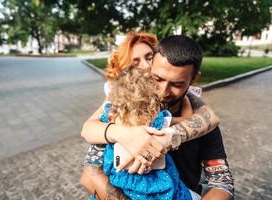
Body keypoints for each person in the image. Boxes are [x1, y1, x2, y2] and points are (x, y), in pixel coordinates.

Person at [81, 34, 234, 199]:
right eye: (158, 79)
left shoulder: (201, 118)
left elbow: (222, 182)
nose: (163, 91)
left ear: (194, 79)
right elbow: (89, 173)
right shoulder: (124, 112)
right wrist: (122, 133)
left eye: (177, 84)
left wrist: (169, 137)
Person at [101, 67, 201, 200]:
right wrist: (186, 96)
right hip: (156, 181)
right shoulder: (157, 120)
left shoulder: (110, 115)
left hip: (120, 179)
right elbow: (187, 119)